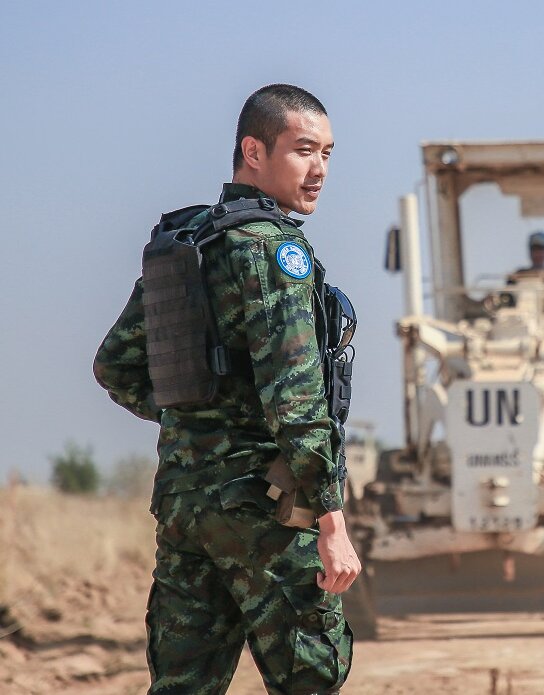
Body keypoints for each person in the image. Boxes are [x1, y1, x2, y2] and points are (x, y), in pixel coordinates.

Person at [94, 84, 358, 694]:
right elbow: (296, 399)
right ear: (253, 150)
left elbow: (116, 365)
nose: (318, 169)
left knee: (183, 685)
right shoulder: (274, 249)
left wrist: (197, 425)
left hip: (185, 506)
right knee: (312, 677)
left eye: (327, 154)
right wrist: (331, 519)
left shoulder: (189, 240)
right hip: (262, 509)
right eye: (302, 150)